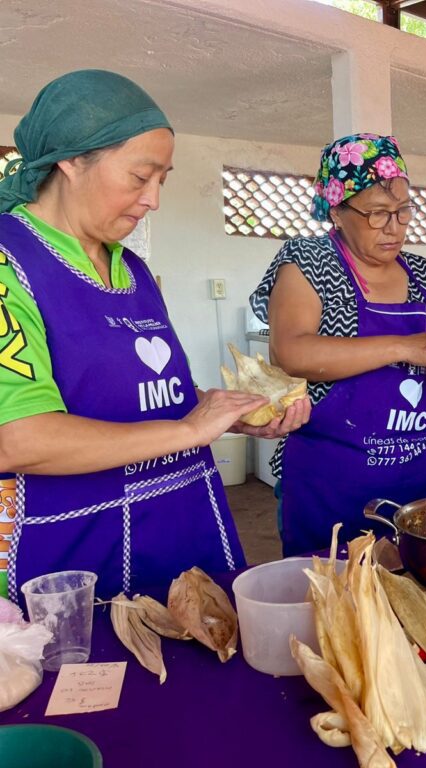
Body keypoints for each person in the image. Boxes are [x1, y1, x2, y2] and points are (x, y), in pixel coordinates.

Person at [0, 70, 309, 603]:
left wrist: (227, 410)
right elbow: (19, 438)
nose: (153, 199)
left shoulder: (133, 270)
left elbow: (156, 397)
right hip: (70, 549)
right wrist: (191, 430)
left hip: (183, 527)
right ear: (71, 161)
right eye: (140, 176)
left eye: (162, 179)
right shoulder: (11, 263)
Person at [250, 133, 426, 556]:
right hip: (331, 480)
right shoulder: (308, 262)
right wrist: (401, 346)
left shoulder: (424, 274)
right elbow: (291, 353)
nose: (394, 227)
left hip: (419, 473)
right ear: (337, 210)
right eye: (378, 213)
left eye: (404, 211)